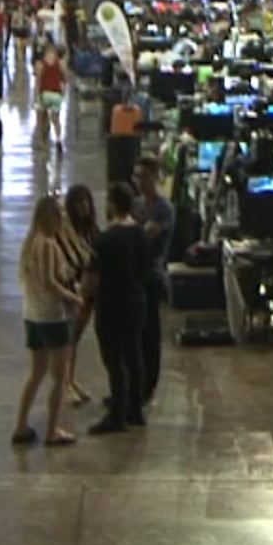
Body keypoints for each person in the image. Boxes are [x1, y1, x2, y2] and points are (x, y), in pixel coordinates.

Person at [10, 195, 81, 447]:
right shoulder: (48, 244)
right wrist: (73, 298)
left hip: (32, 315)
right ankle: (52, 430)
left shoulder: (31, 243)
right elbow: (51, 282)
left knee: (36, 373)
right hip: (52, 317)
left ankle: (21, 425)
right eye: (59, 214)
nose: (62, 219)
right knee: (59, 378)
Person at [85, 184, 151, 434]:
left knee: (114, 361)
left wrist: (83, 295)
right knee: (134, 356)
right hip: (136, 302)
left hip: (111, 304)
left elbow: (92, 277)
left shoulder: (104, 239)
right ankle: (135, 409)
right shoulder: (141, 234)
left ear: (112, 204)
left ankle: (117, 416)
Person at [135, 157, 176, 407]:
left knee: (149, 336)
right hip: (134, 276)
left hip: (151, 276)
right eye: (137, 176)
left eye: (144, 176)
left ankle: (147, 388)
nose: (140, 182)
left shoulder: (163, 209)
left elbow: (144, 238)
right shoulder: (137, 205)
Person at [60, 183, 101, 407]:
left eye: (85, 202)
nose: (82, 207)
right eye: (78, 202)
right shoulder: (67, 233)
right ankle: (65, 384)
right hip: (72, 291)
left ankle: (71, 380)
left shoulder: (93, 231)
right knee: (67, 339)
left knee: (74, 339)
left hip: (89, 293)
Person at [34, 45, 68, 153]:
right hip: (56, 94)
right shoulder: (60, 63)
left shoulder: (40, 64)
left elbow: (38, 81)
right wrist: (63, 93)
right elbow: (65, 79)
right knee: (56, 119)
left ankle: (42, 142)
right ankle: (58, 139)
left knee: (41, 119)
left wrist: (37, 96)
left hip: (44, 94)